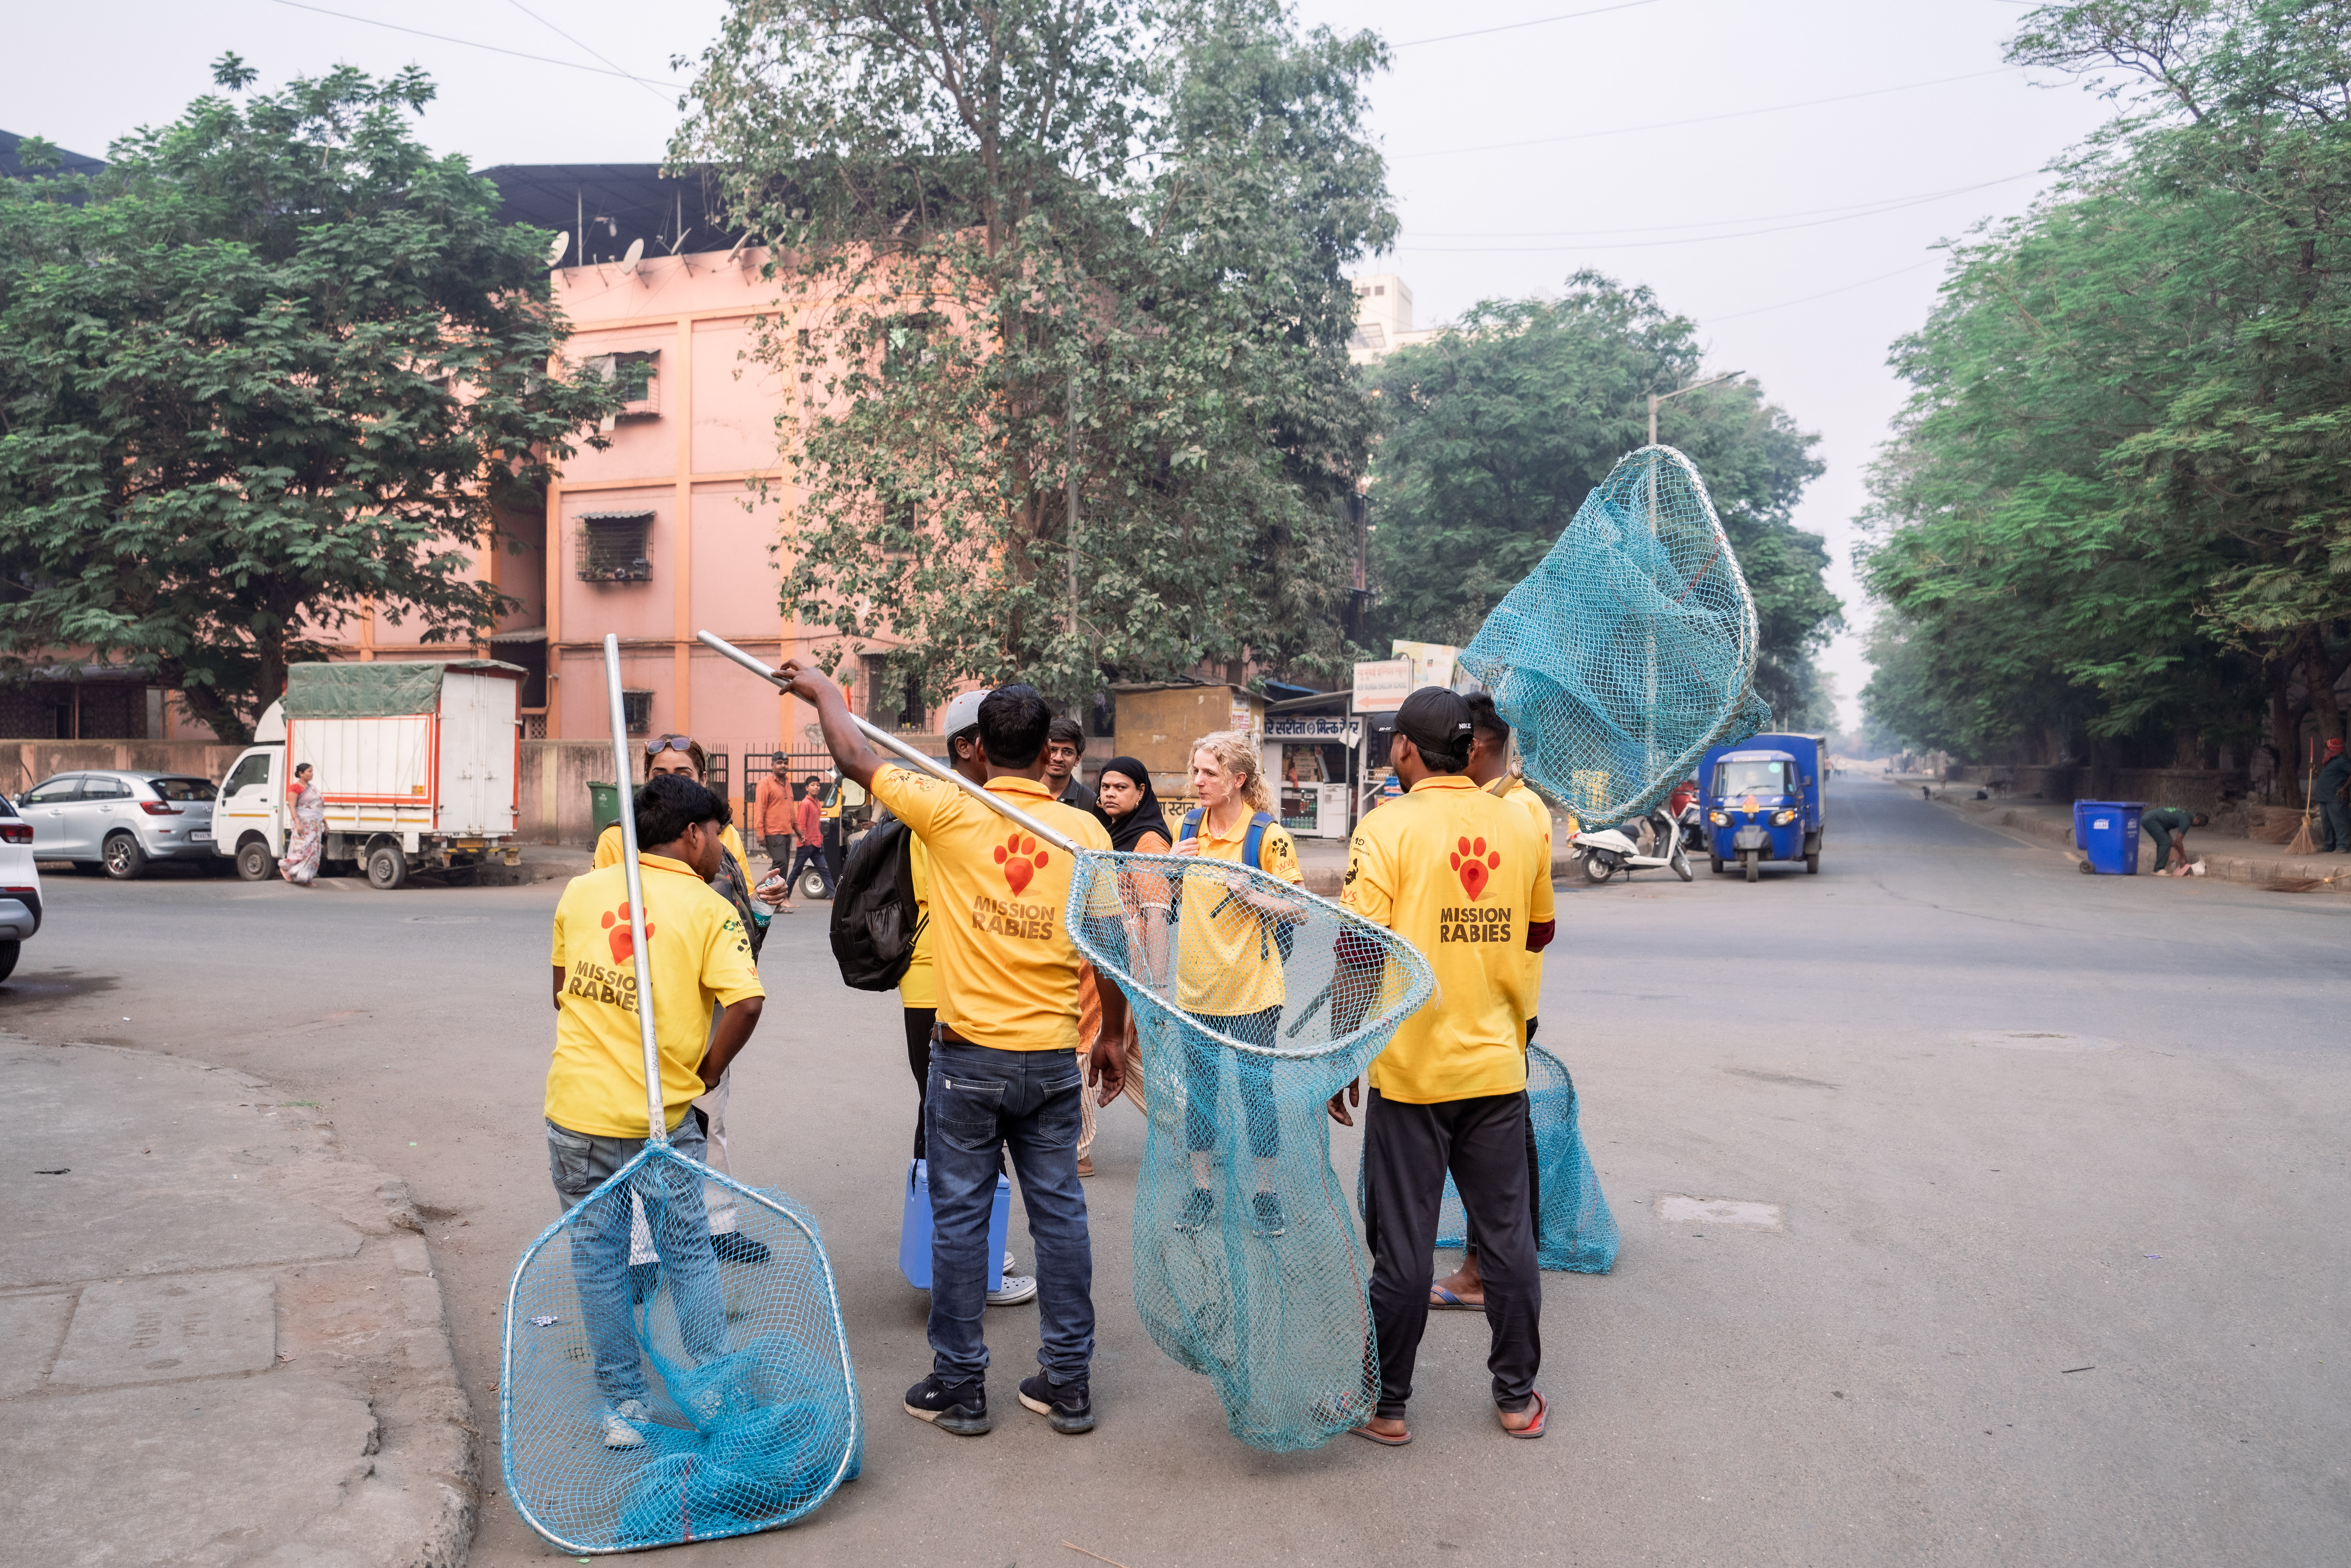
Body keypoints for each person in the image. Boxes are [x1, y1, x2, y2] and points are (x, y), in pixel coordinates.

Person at [777, 665, 1126, 1438]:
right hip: (1048, 1057)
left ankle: (960, 1385)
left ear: (981, 747)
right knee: (1060, 1215)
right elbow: (1110, 950)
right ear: (1047, 753)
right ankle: (1067, 1383)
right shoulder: (1083, 833)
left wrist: (824, 693)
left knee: (962, 1216)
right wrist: (1113, 1035)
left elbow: (853, 759)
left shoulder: (948, 810)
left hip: (968, 1058)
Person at [1329, 686, 1555, 1446]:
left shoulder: (1387, 827)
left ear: (1404, 750)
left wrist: (1342, 1051)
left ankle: (1387, 1407)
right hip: (1497, 1066)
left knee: (1405, 1247)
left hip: (1414, 1073)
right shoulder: (1521, 823)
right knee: (1506, 1239)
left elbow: (1360, 947)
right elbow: (1540, 930)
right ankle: (1517, 1399)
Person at [545, 773, 766, 1449]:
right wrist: (706, 1072)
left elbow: (561, 991)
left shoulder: (583, 892)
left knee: (599, 1260)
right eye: (718, 837)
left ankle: (625, 1407)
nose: (720, 851)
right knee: (689, 1251)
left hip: (575, 1110)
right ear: (693, 834)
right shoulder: (707, 907)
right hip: (661, 1120)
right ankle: (710, 1383)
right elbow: (747, 1002)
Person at [595, 736, 778, 1259]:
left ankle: (717, 1227)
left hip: (708, 996)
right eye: (658, 770)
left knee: (708, 1117)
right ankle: (643, 1251)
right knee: (642, 1128)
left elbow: (737, 919)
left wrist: (761, 907)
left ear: (700, 779)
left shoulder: (726, 837)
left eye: (682, 770)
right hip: (644, 998)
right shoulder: (618, 839)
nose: (668, 777)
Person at [1430, 692, 1550, 1312]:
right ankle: (1501, 1257)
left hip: (1496, 1000)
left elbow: (1534, 923)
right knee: (1502, 1136)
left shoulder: (1516, 810)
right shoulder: (1500, 806)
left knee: (1494, 1145)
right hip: (1493, 997)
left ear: (1471, 746)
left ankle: (1487, 1267)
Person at [1170, 729, 1304, 1238]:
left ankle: (1266, 1193)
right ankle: (1201, 1190)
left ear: (1238, 780)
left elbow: (1302, 909)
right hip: (1196, 989)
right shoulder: (1187, 827)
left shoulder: (1266, 836)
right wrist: (1174, 869)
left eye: (1209, 773)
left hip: (1254, 992)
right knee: (1200, 1095)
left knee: (1256, 1093)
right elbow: (1171, 899)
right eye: (1196, 771)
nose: (1198, 781)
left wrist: (1252, 895)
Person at [1096, 757, 1172, 1119]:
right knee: (1133, 1054)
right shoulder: (1107, 832)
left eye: (1121, 787)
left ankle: (1076, 1151)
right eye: (1106, 787)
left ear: (1141, 792)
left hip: (1129, 967)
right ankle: (1190, 1132)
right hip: (1107, 960)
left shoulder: (1149, 841)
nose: (1111, 793)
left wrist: (1156, 986)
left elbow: (1157, 913)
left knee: (1096, 1044)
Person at [1044, 715, 1112, 829]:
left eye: (1068, 752)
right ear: (1043, 752)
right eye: (1053, 750)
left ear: (1078, 759)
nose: (1058, 758)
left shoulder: (1090, 802)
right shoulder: (1024, 792)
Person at [754, 760, 799, 913]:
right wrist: (760, 832)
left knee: (783, 869)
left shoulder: (787, 784)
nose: (783, 766)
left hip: (786, 832)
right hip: (772, 832)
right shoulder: (765, 783)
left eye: (786, 763)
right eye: (780, 763)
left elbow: (791, 811)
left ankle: (775, 903)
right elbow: (760, 809)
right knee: (780, 864)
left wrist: (798, 830)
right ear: (773, 765)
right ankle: (756, 893)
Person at [787, 776, 835, 898]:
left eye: (818, 785)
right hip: (806, 845)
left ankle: (834, 899)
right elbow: (801, 824)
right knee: (796, 871)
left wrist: (820, 839)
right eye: (813, 785)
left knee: (825, 871)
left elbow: (816, 824)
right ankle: (785, 898)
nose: (816, 788)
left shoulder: (817, 802)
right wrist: (807, 842)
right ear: (807, 788)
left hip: (817, 845)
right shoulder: (806, 803)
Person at [280, 763, 326, 885]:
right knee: (303, 850)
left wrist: (325, 823)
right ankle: (287, 868)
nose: (312, 774)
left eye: (312, 771)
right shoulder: (295, 788)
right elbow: (292, 807)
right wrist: (298, 824)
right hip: (302, 825)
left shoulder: (312, 788)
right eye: (309, 771)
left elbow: (318, 808)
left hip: (315, 826)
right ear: (301, 774)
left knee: (314, 852)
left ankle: (305, 878)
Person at [2139, 806, 2209, 875]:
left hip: (2149, 818)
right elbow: (2179, 841)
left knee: (2164, 842)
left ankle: (2158, 869)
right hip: (2151, 820)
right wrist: (2183, 858)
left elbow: (2164, 830)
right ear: (2197, 819)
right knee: (2165, 842)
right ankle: (2159, 870)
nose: (2197, 827)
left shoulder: (2184, 815)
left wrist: (2173, 842)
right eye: (2199, 825)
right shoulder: (2186, 821)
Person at [2318, 738, 2350, 853]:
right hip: (2324, 797)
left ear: (2333, 749)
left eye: (2327, 748)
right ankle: (2329, 846)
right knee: (2327, 823)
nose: (2325, 751)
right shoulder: (2329, 762)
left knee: (2340, 822)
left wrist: (2345, 788)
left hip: (2335, 797)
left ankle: (2343, 846)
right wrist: (2316, 771)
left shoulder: (2342, 760)